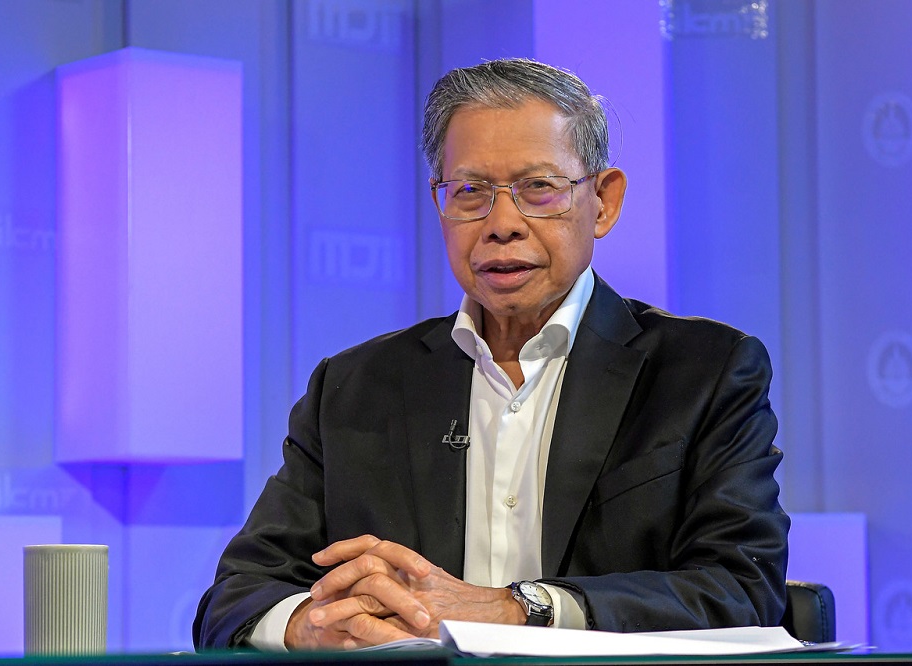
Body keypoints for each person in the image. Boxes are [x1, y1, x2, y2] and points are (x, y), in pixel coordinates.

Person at [193, 58, 789, 651]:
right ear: (440, 203)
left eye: (539, 188)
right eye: (471, 192)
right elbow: (235, 599)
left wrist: (518, 608)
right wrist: (311, 626)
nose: (502, 224)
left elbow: (741, 588)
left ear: (603, 202)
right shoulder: (353, 387)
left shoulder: (706, 371)